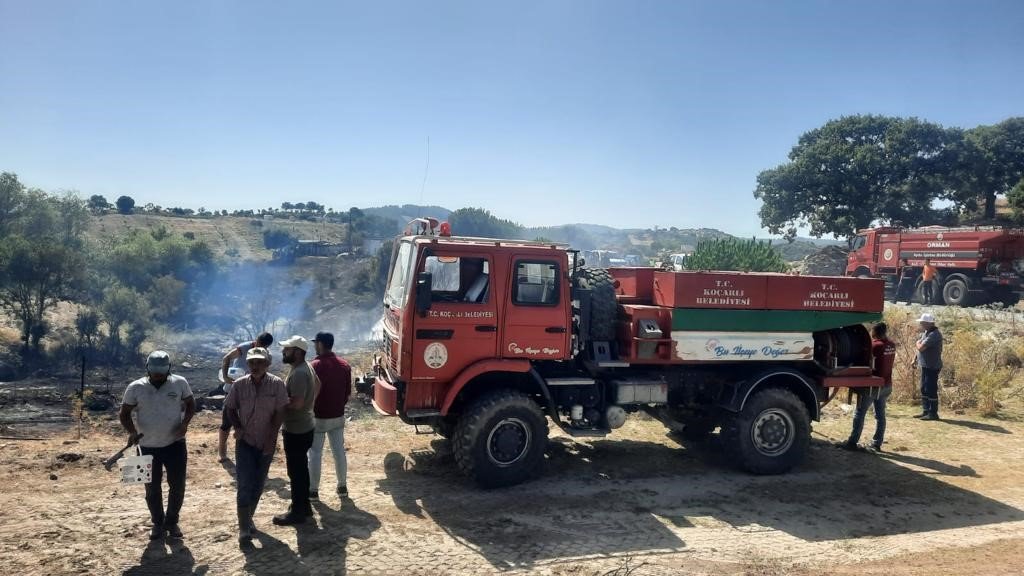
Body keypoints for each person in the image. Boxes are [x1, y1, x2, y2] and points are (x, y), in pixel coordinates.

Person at [119, 351, 195, 540]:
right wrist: (132, 432)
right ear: (148, 369)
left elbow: (191, 404)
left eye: (162, 372)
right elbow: (124, 413)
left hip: (175, 444)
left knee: (177, 486)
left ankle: (172, 522)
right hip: (146, 447)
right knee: (152, 488)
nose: (158, 375)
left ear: (169, 368)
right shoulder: (135, 387)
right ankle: (157, 523)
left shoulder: (180, 383)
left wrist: (184, 424)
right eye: (155, 372)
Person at [225, 347, 288, 543]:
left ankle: (248, 517)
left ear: (267, 364)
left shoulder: (277, 384)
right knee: (244, 484)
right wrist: (237, 427)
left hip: (266, 442)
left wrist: (272, 437)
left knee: (258, 484)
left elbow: (280, 412)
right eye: (252, 362)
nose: (255, 366)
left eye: (260, 362)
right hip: (245, 442)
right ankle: (244, 528)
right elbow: (230, 408)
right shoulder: (239, 385)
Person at [272, 335, 320, 526]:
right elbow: (317, 386)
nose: (284, 351)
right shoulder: (304, 367)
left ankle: (298, 511)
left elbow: (297, 402)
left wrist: (277, 405)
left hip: (296, 429)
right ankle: (304, 506)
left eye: (288, 349)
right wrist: (310, 404)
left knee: (296, 471)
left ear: (298, 352)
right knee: (300, 470)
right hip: (305, 425)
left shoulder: (299, 373)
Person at [307, 332, 352, 500]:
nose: (314, 346)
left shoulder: (314, 365)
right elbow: (347, 393)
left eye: (315, 343)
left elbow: (310, 392)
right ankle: (342, 487)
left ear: (320, 344)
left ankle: (313, 491)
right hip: (337, 416)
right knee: (339, 452)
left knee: (315, 453)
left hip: (318, 417)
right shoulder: (344, 365)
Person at [217, 332, 274, 462]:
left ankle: (246, 451)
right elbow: (227, 358)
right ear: (256, 340)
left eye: (263, 347)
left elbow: (265, 371)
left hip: (250, 391)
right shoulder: (244, 348)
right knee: (227, 420)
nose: (259, 348)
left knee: (248, 420)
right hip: (232, 388)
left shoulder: (267, 355)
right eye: (258, 344)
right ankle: (222, 450)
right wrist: (225, 376)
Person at [842, 323, 896, 451]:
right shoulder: (891, 345)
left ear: (875, 332)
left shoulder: (875, 346)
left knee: (860, 413)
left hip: (873, 386)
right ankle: (877, 443)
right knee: (880, 415)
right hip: (887, 384)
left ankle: (852, 442)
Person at [913, 312, 943, 421]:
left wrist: (917, 343)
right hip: (925, 364)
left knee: (931, 389)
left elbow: (920, 347)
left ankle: (933, 413)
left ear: (928, 323)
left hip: (933, 366)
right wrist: (915, 359)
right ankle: (926, 411)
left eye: (922, 322)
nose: (921, 324)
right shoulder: (927, 332)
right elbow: (920, 348)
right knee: (924, 388)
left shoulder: (934, 335)